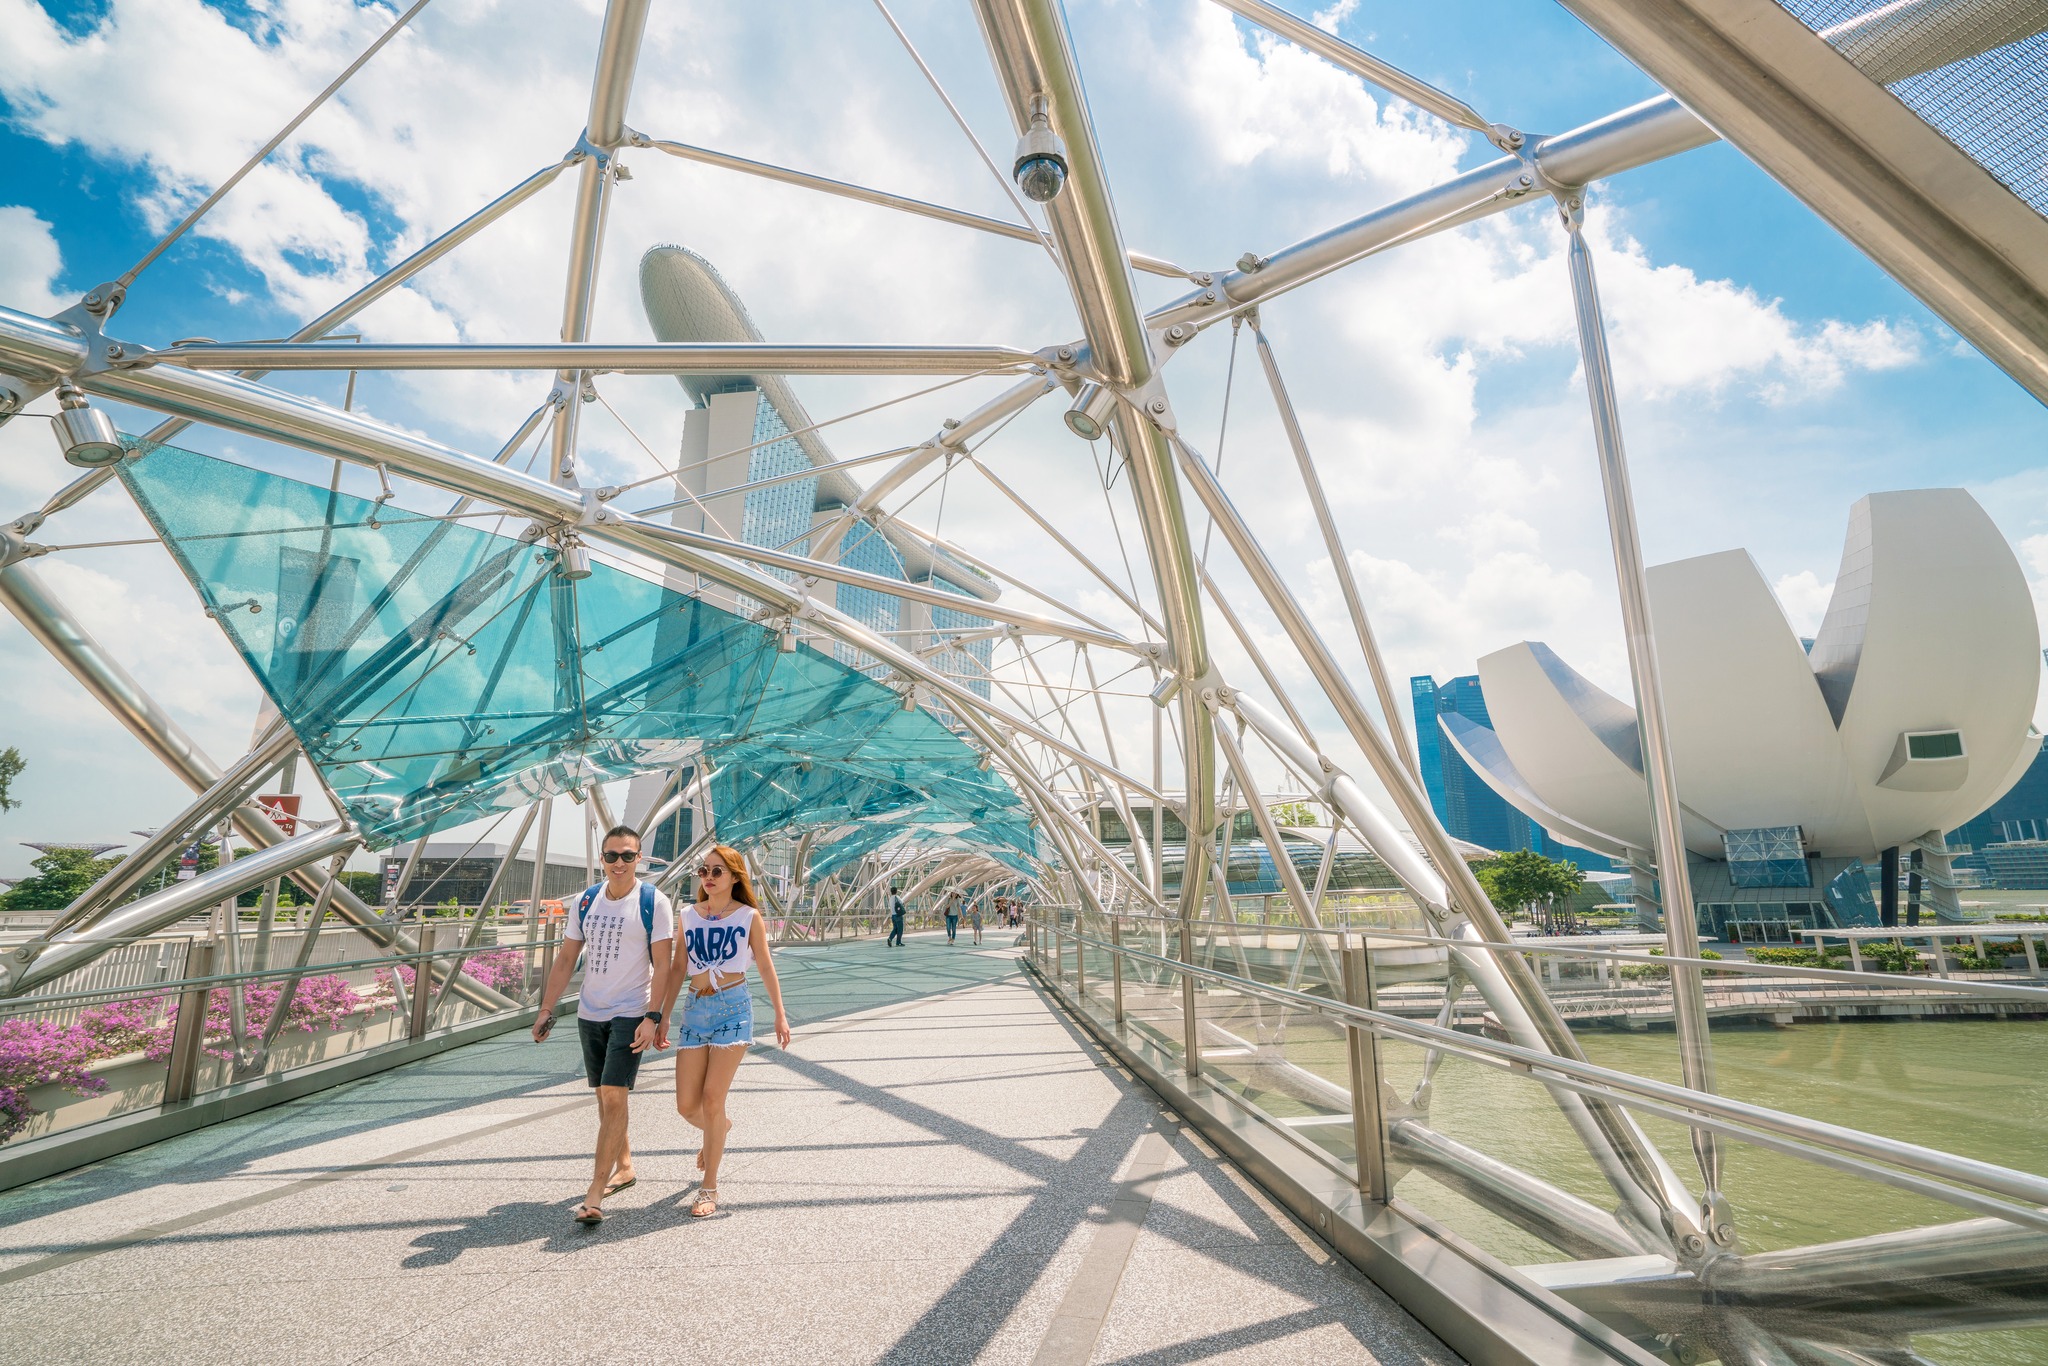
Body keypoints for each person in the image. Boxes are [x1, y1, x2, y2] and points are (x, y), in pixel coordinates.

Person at [533, 824, 674, 1226]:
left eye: (627, 856)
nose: (619, 863)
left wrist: (653, 1016)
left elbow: (663, 964)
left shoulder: (653, 901)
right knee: (604, 1095)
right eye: (611, 856)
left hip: (630, 1011)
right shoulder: (586, 900)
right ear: (601, 858)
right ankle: (625, 1166)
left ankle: (594, 1193)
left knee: (613, 1094)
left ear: (639, 858)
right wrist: (546, 1009)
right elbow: (565, 960)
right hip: (590, 1011)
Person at [654, 844, 792, 1219]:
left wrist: (780, 1014)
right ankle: (721, 1129)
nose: (709, 877)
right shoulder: (688, 915)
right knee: (687, 1106)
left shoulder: (748, 916)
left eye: (717, 871)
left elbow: (764, 966)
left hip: (734, 1008)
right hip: (695, 1010)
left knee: (713, 1098)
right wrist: (662, 1016)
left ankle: (708, 1187)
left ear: (734, 876)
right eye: (704, 871)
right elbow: (679, 967)